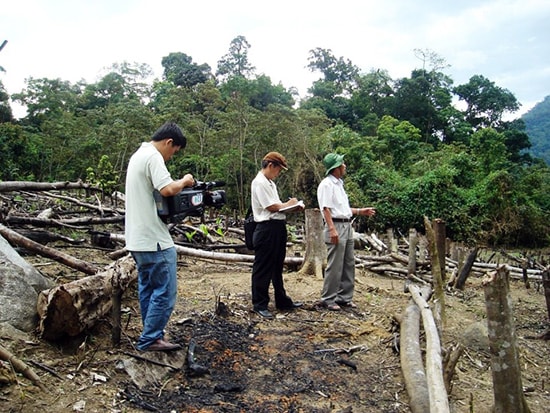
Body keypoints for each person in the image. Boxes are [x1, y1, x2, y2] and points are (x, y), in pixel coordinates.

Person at [125, 122, 195, 351]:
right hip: (153, 238)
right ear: (169, 142)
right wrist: (184, 181)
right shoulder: (153, 156)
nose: (171, 157)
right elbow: (166, 189)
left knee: (148, 288)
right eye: (173, 152)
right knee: (165, 290)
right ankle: (151, 338)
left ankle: (151, 334)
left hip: (137, 238)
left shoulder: (138, 154)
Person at [317, 153, 376, 311]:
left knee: (348, 262)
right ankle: (328, 298)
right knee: (335, 264)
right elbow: (326, 209)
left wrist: (360, 211)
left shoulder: (339, 184)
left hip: (346, 225)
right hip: (335, 225)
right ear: (335, 168)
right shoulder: (326, 185)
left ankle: (344, 297)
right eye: (342, 164)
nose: (345, 166)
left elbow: (342, 209)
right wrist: (331, 229)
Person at [250, 151, 304, 319]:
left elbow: (278, 207)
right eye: (278, 169)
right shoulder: (259, 182)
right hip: (266, 228)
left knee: (277, 266)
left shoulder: (270, 183)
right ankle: (260, 303)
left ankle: (281, 299)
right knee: (263, 267)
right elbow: (271, 206)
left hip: (277, 226)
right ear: (270, 165)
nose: (278, 173)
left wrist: (292, 207)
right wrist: (289, 204)